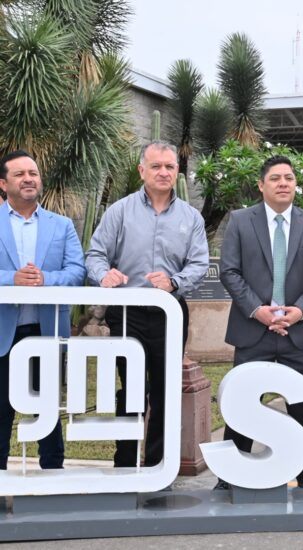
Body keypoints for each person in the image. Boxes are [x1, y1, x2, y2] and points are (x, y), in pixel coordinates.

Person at [86, 141, 208, 468]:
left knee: (166, 389)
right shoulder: (120, 211)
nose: (163, 172)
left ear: (177, 171)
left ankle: (157, 465)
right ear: (142, 171)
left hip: (170, 313)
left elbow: (199, 263)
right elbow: (95, 255)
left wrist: (174, 282)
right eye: (156, 166)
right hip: (127, 313)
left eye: (169, 166)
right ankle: (125, 463)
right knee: (131, 389)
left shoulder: (191, 217)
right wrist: (104, 275)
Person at [214, 155, 303, 489]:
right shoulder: (240, 221)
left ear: (296, 185)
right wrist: (258, 310)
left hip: (299, 331)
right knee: (242, 405)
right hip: (253, 330)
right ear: (261, 185)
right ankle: (230, 477)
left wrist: (300, 310)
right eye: (276, 178)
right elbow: (229, 271)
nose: (283, 183)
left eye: (289, 178)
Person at [0, 150, 86, 469]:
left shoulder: (61, 225)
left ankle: (53, 472)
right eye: (20, 174)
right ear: (3, 183)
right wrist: (12, 279)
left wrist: (45, 279)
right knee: (1, 409)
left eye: (33, 173)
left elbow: (77, 271)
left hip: (47, 331)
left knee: (47, 407)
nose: (28, 179)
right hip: (3, 333)